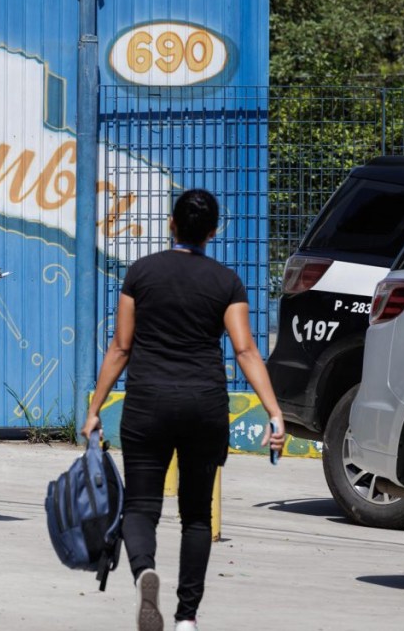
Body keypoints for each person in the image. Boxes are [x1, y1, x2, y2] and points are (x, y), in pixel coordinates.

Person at [80, 189, 285, 631]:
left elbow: (120, 347)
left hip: (148, 403)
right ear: (212, 232)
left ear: (171, 225)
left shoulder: (141, 273)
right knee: (196, 516)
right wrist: (274, 412)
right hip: (203, 406)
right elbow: (246, 349)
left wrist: (95, 408)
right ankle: (187, 617)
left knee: (140, 507)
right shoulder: (226, 282)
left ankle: (144, 573)